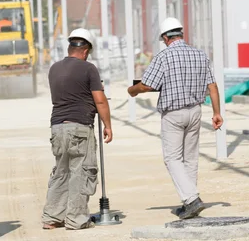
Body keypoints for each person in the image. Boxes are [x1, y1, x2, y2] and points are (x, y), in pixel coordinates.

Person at [127, 17, 223, 220]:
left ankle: (191, 199)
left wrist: (133, 90)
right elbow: (212, 87)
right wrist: (217, 113)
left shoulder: (164, 57)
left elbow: (147, 85)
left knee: (172, 158)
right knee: (190, 158)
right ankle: (189, 202)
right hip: (196, 111)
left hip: (173, 114)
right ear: (181, 33)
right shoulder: (200, 55)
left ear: (165, 37)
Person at [42, 28, 113, 230]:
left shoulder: (54, 68)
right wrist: (108, 125)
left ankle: (52, 217)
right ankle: (76, 219)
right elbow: (100, 101)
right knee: (81, 172)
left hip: (57, 128)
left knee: (61, 172)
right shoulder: (88, 69)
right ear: (86, 51)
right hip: (80, 127)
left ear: (70, 47)